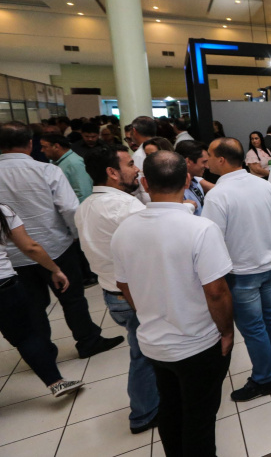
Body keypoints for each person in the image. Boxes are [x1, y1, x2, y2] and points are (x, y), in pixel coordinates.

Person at [111, 150, 234, 457]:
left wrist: (149, 310)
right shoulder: (200, 229)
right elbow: (217, 291)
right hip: (198, 344)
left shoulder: (124, 229)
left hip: (153, 342)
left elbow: (123, 284)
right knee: (199, 417)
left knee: (170, 406)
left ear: (144, 183)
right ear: (188, 179)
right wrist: (227, 332)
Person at [0, 121, 123, 359]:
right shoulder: (46, 170)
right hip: (55, 246)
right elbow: (68, 208)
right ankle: (88, 340)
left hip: (13, 253)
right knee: (72, 298)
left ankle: (43, 350)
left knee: (33, 306)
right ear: (30, 143)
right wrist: (78, 237)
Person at [76, 145, 160, 433]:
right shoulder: (126, 207)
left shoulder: (85, 207)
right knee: (144, 355)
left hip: (112, 295)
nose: (137, 168)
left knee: (141, 348)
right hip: (135, 296)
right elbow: (157, 245)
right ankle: (144, 413)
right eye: (129, 164)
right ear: (112, 172)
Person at [202, 138, 271, 402]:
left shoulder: (217, 195)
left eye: (209, 156)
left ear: (221, 160)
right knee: (270, 312)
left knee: (252, 327)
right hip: (268, 262)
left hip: (241, 271)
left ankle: (263, 379)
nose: (206, 160)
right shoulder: (264, 185)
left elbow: (211, 239)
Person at [0, 204, 83, 398]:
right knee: (26, 337)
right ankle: (56, 383)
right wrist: (55, 270)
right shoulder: (3, 211)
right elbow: (30, 247)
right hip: (4, 286)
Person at [40, 133, 94, 202]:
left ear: (56, 146)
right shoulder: (54, 162)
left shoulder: (75, 163)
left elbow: (83, 193)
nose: (42, 150)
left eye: (44, 147)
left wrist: (77, 212)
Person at [175, 140, 210, 217]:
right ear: (188, 161)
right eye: (204, 162)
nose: (207, 166)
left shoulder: (196, 181)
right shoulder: (174, 189)